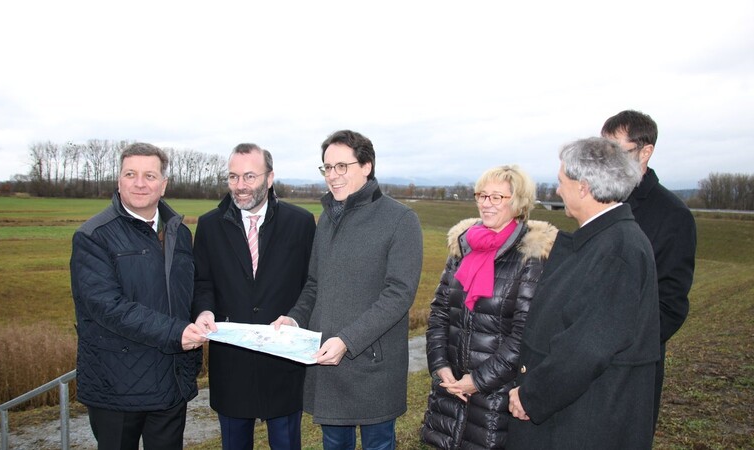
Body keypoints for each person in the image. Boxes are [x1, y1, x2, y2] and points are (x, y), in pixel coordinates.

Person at [272, 129, 423, 450]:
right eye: (327, 167)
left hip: (372, 363)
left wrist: (348, 340)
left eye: (342, 166)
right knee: (334, 443)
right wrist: (294, 320)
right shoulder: (327, 219)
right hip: (328, 360)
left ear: (366, 166)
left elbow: (399, 293)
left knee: (378, 443)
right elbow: (314, 284)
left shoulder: (400, 219)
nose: (332, 176)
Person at [506, 137, 659, 449]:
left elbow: (587, 347)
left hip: (583, 423)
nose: (559, 190)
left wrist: (531, 395)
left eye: (563, 181)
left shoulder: (619, 250)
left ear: (584, 187)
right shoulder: (604, 239)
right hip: (575, 413)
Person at [70, 142, 206, 450]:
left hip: (172, 381)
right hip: (117, 385)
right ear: (118, 180)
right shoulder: (93, 236)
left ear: (163, 184)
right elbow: (107, 307)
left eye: (149, 175)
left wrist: (203, 314)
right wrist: (176, 332)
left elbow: (189, 290)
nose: (140, 183)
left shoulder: (179, 233)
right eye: (131, 174)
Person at [420, 165, 557, 449]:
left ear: (517, 202)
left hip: (497, 395)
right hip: (452, 387)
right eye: (482, 195)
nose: (486, 203)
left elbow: (524, 333)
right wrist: (440, 365)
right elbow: (440, 313)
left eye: (497, 197)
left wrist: (479, 381)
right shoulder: (463, 246)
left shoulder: (529, 256)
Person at [192, 143, 316, 450]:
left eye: (249, 176)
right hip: (231, 364)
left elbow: (311, 283)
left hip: (283, 362)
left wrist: (296, 317)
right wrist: (204, 311)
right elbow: (202, 282)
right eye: (233, 177)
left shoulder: (299, 223)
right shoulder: (209, 226)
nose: (240, 186)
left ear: (270, 178)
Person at [601, 110, 697, 430]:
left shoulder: (673, 215)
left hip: (629, 366)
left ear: (646, 152)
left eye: (617, 151)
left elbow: (670, 305)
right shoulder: (599, 202)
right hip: (580, 360)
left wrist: (616, 347)